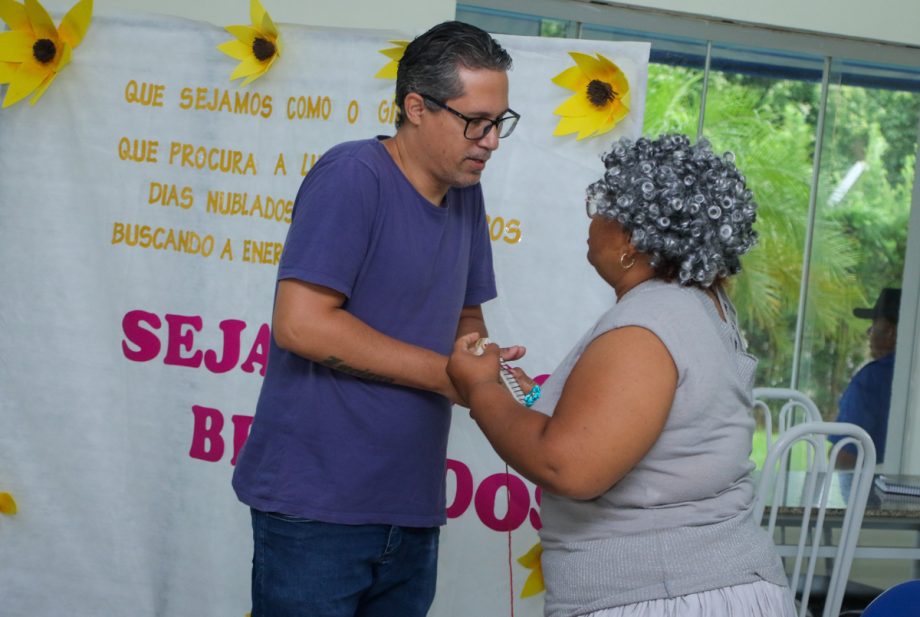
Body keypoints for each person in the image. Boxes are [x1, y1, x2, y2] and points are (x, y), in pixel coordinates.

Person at [231, 21, 523, 617]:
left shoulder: (466, 192)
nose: (491, 140)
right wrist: (449, 376)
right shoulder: (353, 176)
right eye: (476, 122)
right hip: (317, 507)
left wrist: (477, 361)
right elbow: (302, 324)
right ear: (416, 106)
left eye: (499, 122)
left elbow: (466, 311)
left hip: (411, 505)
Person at [448, 134, 795, 617]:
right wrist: (532, 400)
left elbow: (568, 467)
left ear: (631, 239)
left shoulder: (648, 323)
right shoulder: (696, 307)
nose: (591, 219)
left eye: (602, 204)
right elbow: (639, 431)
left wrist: (481, 387)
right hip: (700, 585)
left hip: (663, 595)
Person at [830, 287, 901, 468]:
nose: (869, 333)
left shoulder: (870, 380)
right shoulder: (908, 376)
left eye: (874, 324)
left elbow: (844, 454)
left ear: (890, 332)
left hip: (871, 492)